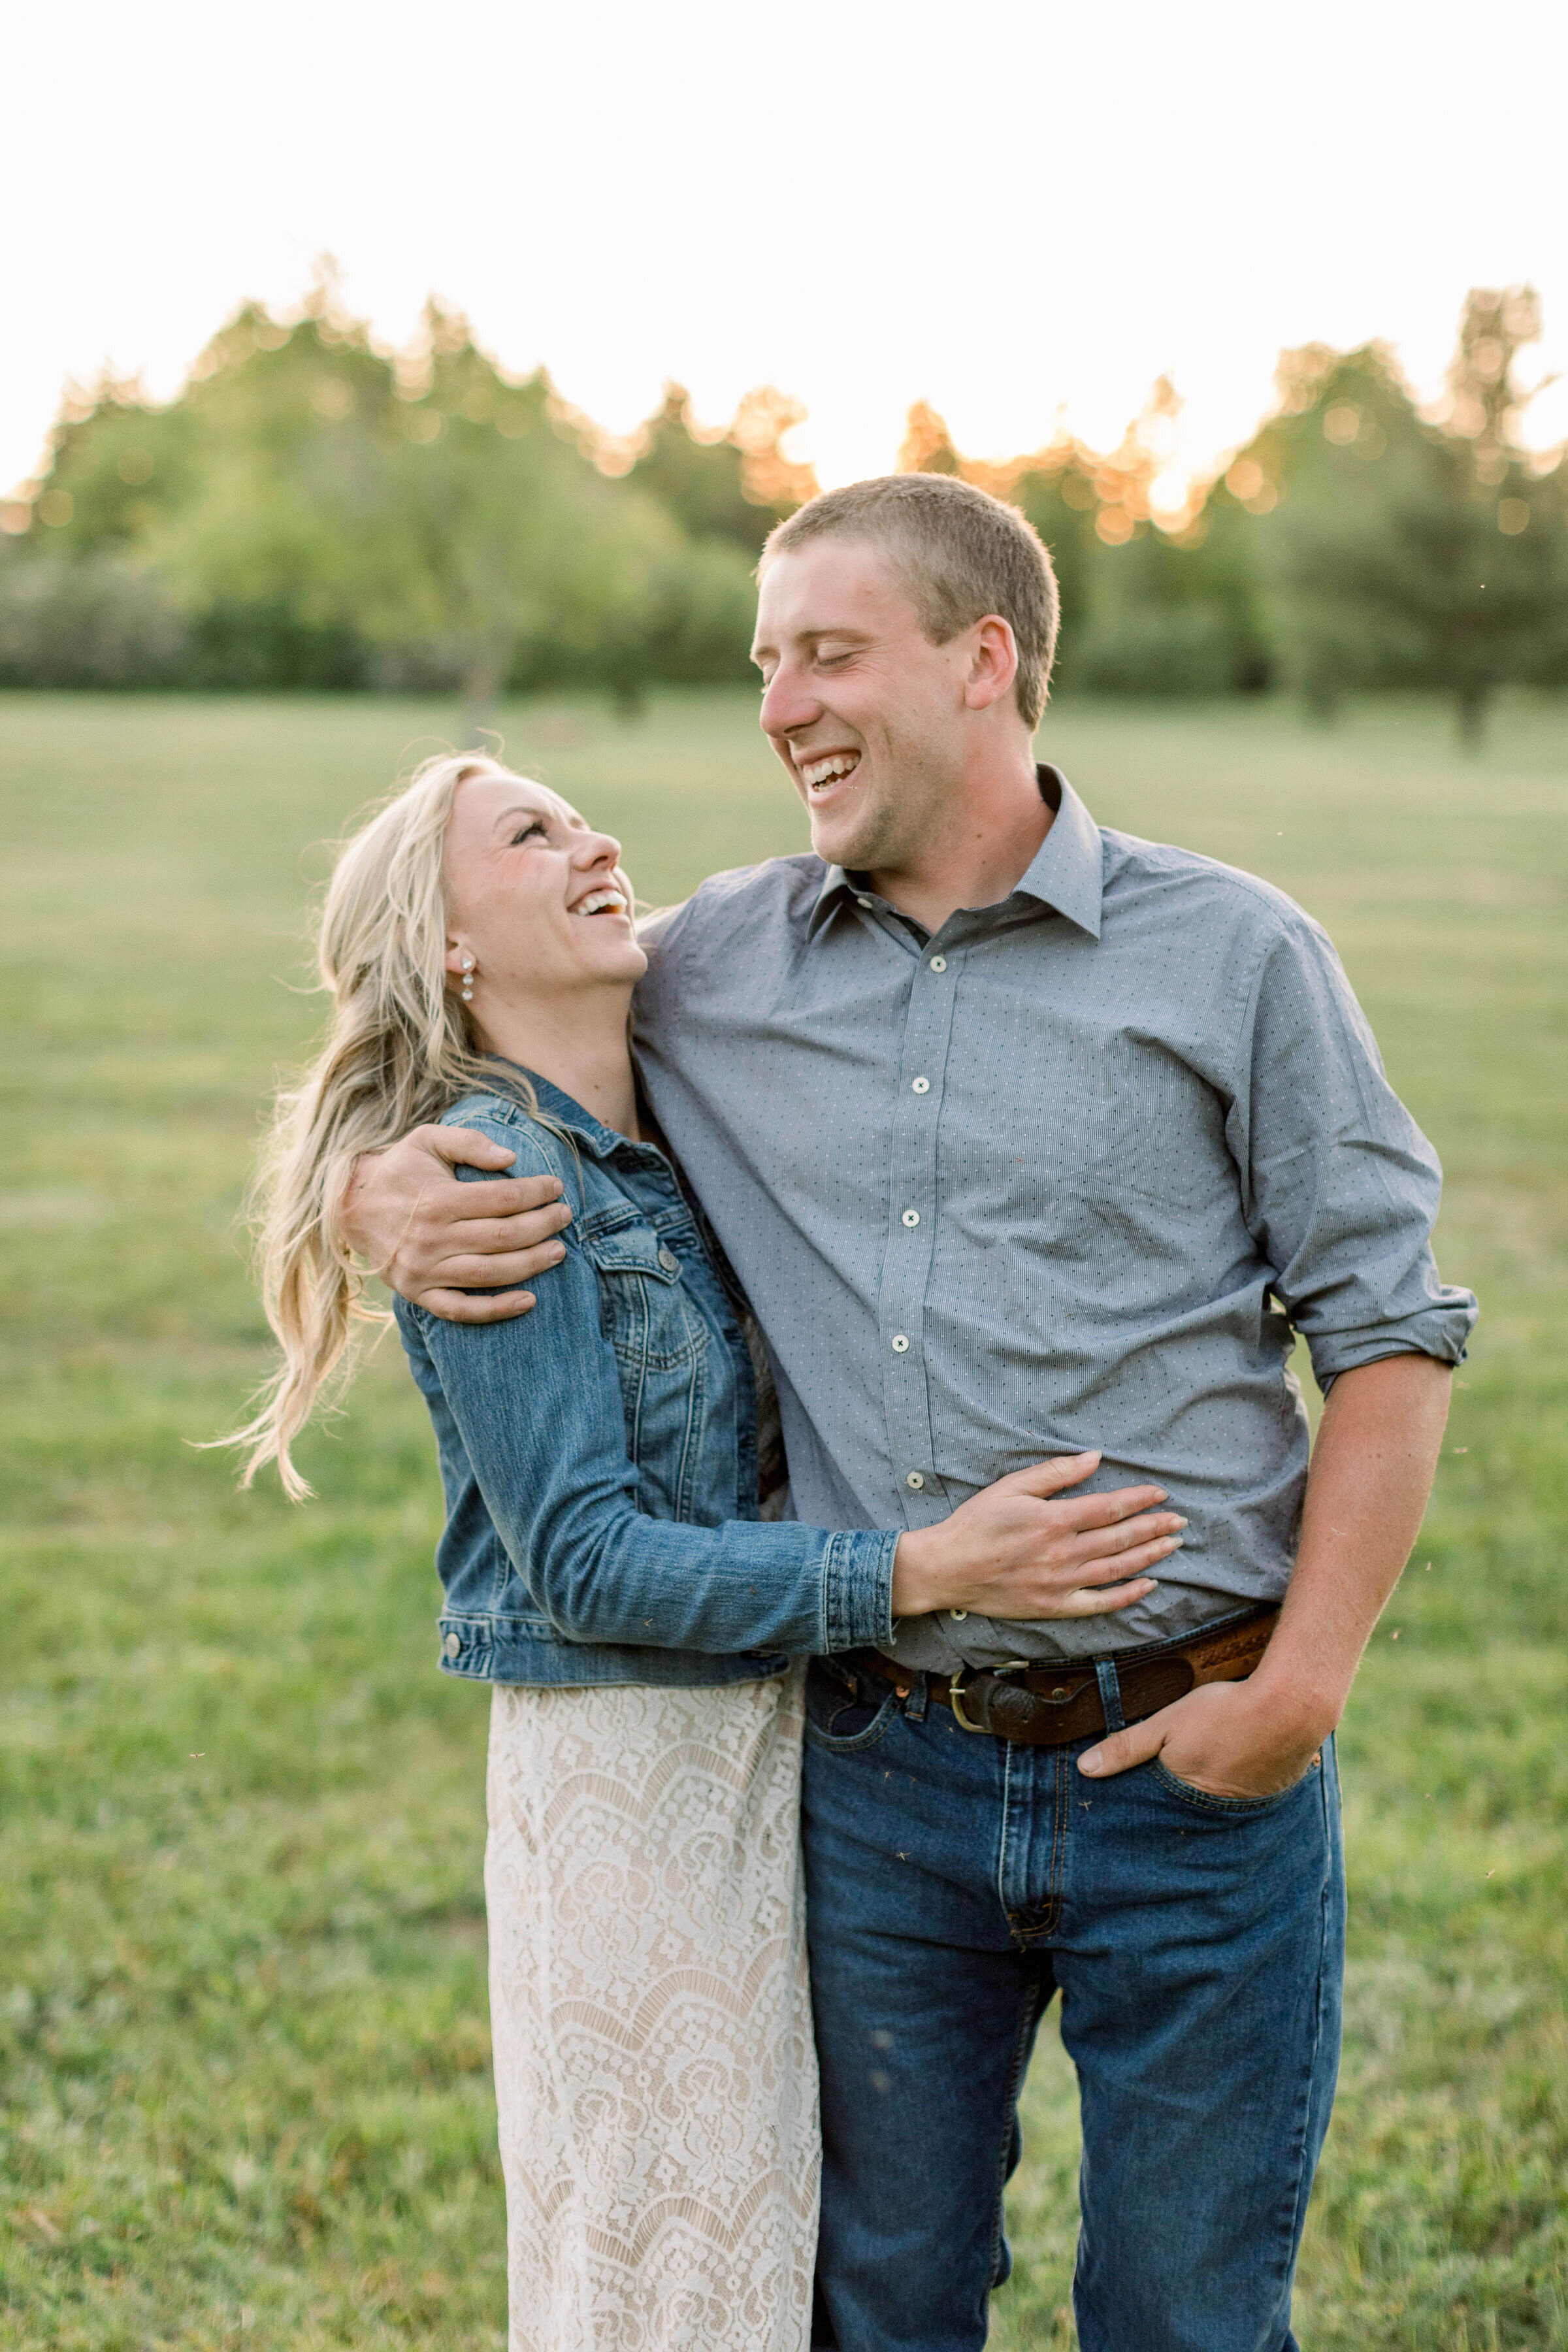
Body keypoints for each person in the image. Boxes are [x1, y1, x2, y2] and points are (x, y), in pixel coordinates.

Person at [342, 476, 1478, 2352]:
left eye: (829, 653)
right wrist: (370, 1193)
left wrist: (1303, 1690)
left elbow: (1390, 1330)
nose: (780, 702)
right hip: (882, 1784)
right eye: (765, 662)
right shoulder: (711, 966)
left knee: (1192, 2317)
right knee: (877, 2311)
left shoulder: (1235, 957)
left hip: (1196, 1760)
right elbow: (457, 1040)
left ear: (984, 662)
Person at [223, 745, 1186, 2352]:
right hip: (632, 1789)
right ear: (448, 945)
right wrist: (925, 1569)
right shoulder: (496, 1178)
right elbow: (588, 1563)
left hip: (777, 1758)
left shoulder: (667, 1100)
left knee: (764, 2257)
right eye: (530, 834)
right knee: (672, 2272)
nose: (593, 838)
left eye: (582, 813)